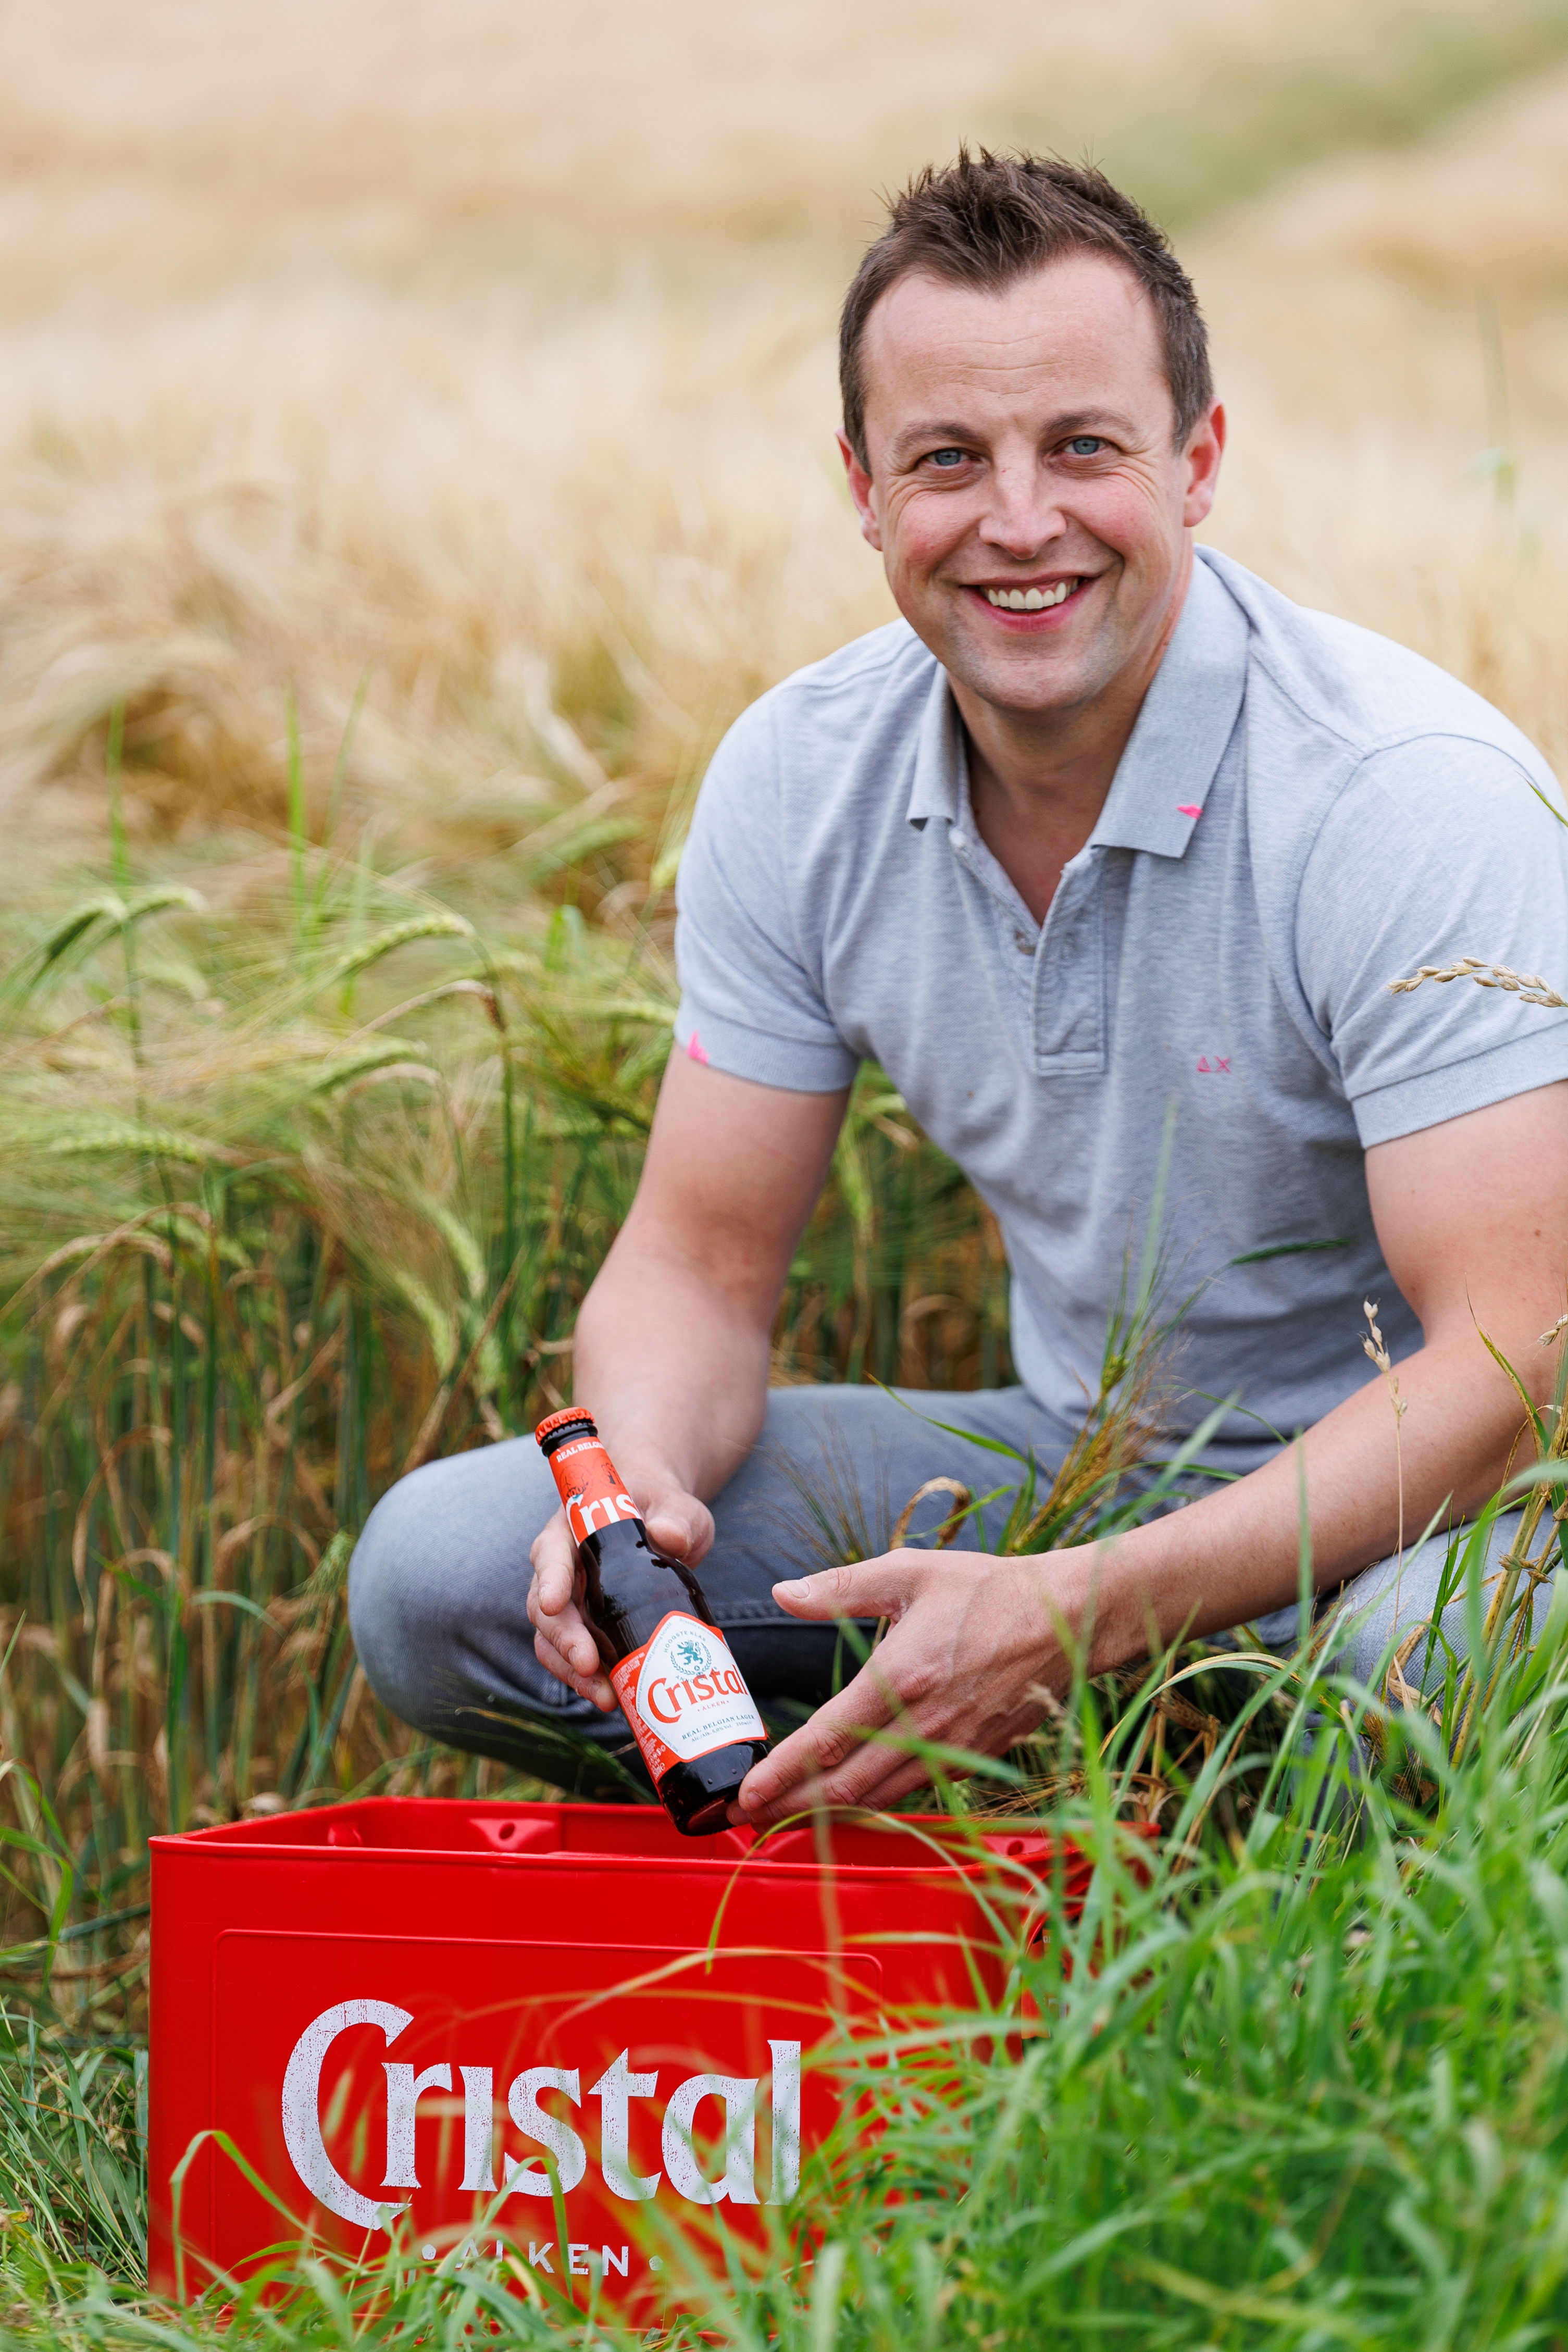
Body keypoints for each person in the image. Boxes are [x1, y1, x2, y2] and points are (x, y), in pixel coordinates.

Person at [349, 151, 1568, 1827]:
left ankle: (1224, 1930)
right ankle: (911, 1911)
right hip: (1079, 1455)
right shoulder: (798, 775)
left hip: (1456, 1510)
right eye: (946, 459)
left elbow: (1513, 1360)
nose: (1016, 521)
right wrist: (633, 1510)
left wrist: (1088, 1610)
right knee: (444, 1573)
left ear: (1197, 462)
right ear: (860, 489)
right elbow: (696, 1262)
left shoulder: (1401, 793)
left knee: (1402, 1676)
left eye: (1081, 445)